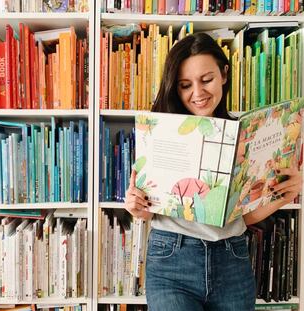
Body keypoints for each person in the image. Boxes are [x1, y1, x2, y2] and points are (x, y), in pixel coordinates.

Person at [125, 32, 302, 311]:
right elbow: (147, 208)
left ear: (224, 74)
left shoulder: (247, 132)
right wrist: (137, 206)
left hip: (231, 258)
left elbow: (242, 216)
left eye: (206, 79)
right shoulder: (162, 129)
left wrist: (285, 194)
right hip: (172, 258)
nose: (198, 93)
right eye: (185, 85)